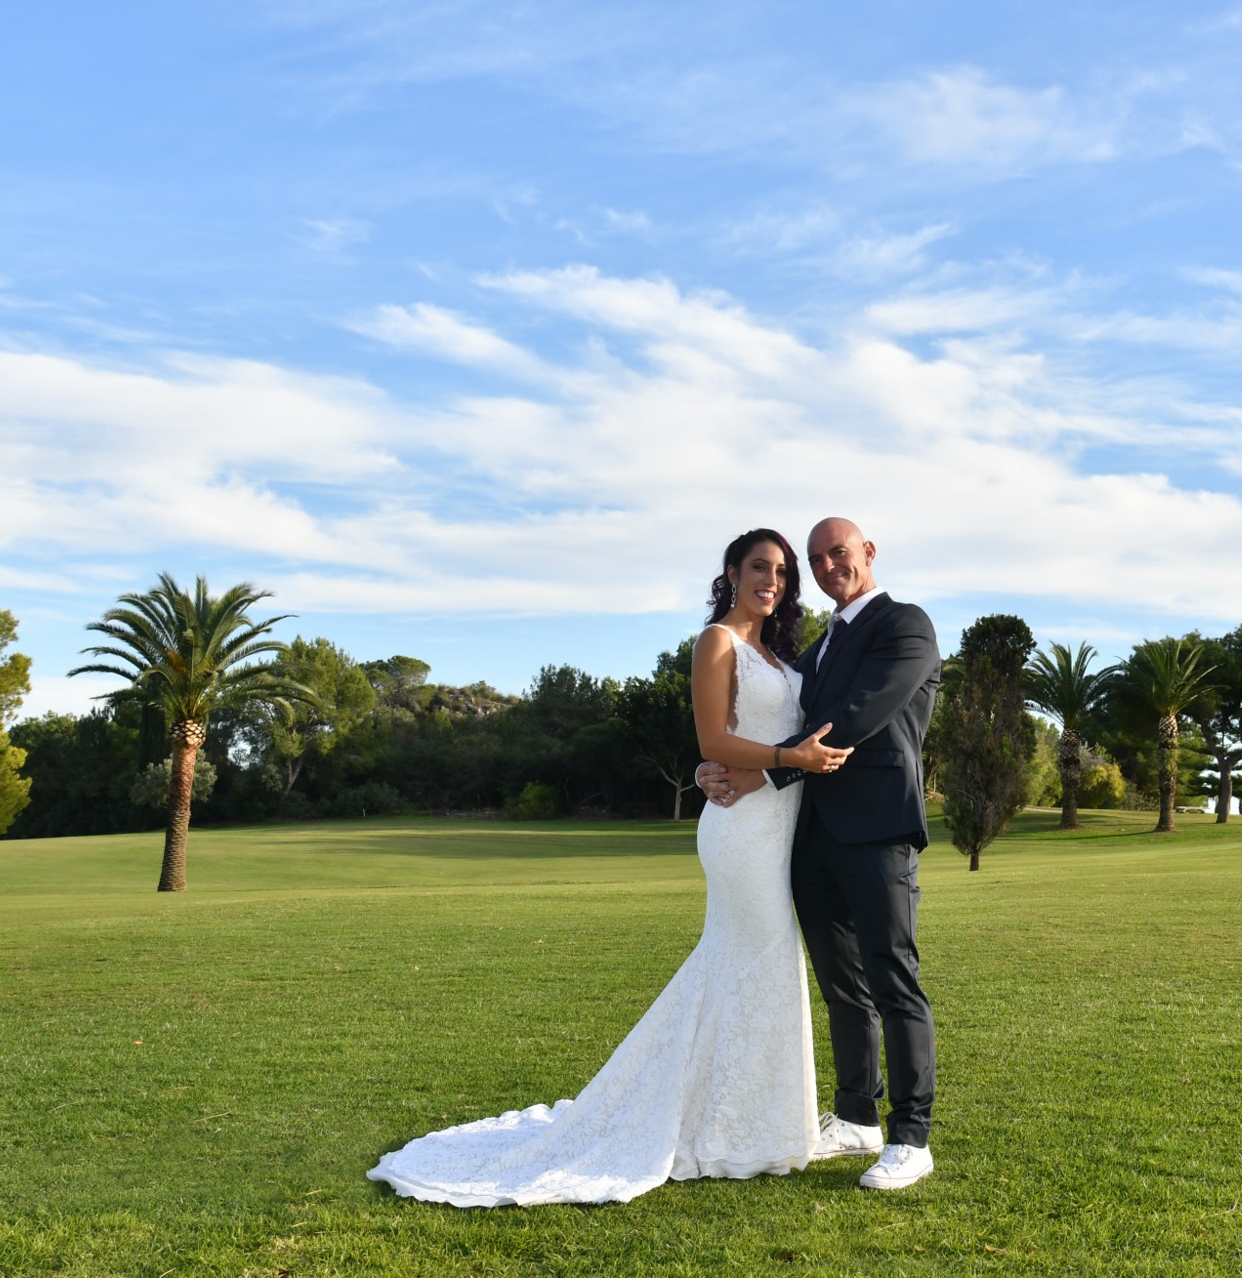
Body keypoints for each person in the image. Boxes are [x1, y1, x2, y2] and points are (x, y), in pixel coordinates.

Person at [367, 529, 851, 1207]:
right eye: (759, 568)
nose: (771, 580)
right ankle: (736, 1128)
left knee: (760, 967)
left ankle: (763, 1122)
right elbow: (713, 738)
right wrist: (788, 759)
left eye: (781, 571)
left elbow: (759, 737)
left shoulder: (780, 651)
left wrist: (770, 764)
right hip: (741, 833)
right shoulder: (718, 642)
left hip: (778, 827)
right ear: (733, 573)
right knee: (756, 958)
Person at [697, 517, 942, 1191]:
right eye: (817, 559)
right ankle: (858, 1113)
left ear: (867, 552)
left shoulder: (906, 625)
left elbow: (859, 716)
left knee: (893, 977)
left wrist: (765, 771)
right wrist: (711, 765)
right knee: (841, 983)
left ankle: (911, 1136)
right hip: (810, 837)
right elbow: (766, 717)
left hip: (878, 831)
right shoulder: (818, 646)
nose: (829, 565)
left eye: (839, 552)